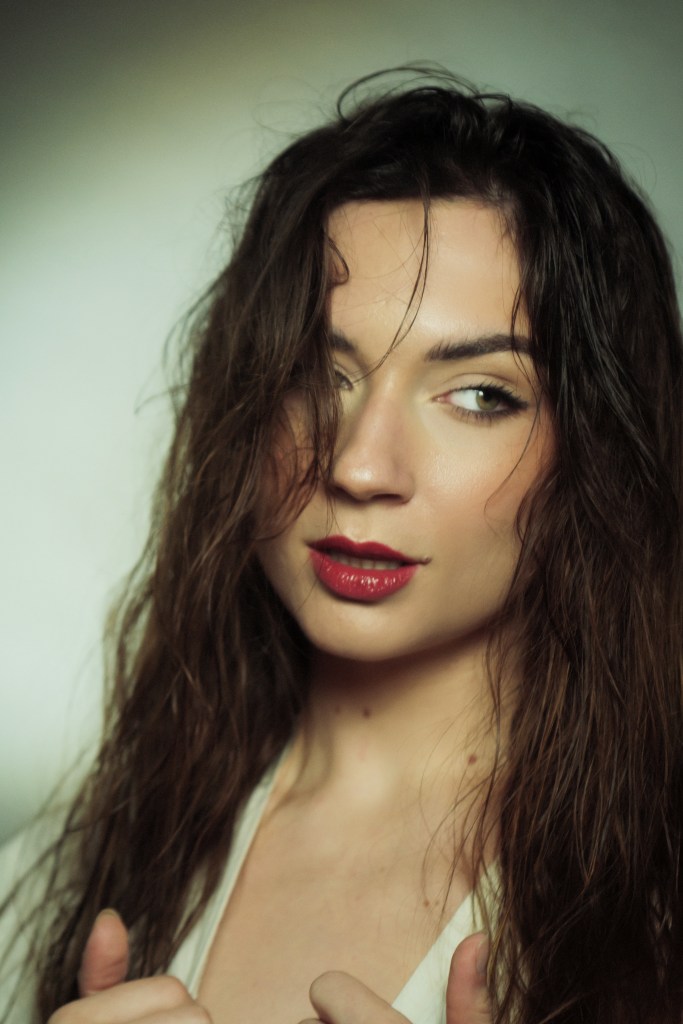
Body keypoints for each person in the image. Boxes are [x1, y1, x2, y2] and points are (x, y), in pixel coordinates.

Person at [1, 68, 681, 1024]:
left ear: (596, 450)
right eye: (316, 376)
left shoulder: (656, 901)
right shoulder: (52, 884)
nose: (361, 466)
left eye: (479, 394)